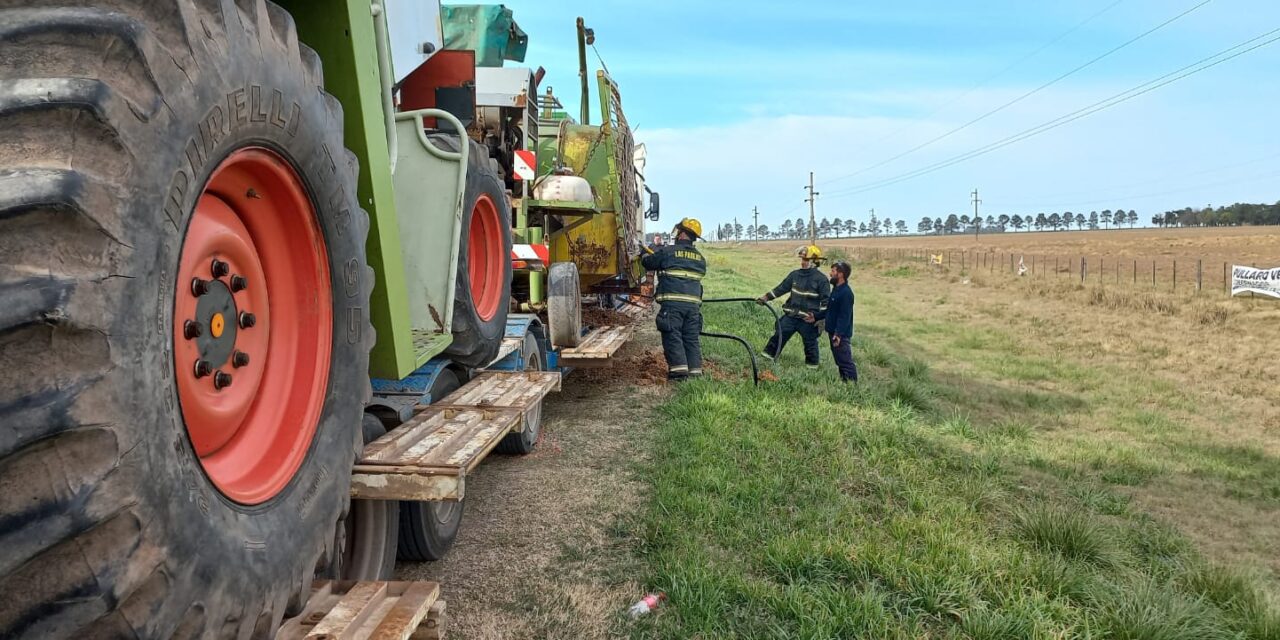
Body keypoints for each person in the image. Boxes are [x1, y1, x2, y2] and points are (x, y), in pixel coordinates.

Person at [640, 217, 706, 381]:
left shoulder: (668, 252)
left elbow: (649, 262)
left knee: (672, 335)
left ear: (682, 234)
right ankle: (695, 373)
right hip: (693, 307)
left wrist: (643, 254)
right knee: (691, 338)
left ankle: (678, 373)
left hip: (673, 305)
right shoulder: (700, 259)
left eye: (678, 231)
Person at [756, 245, 830, 369]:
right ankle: (767, 359)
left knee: (810, 343)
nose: (802, 263)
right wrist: (766, 297)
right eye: (802, 260)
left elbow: (826, 302)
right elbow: (781, 288)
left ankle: (812, 368)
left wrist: (819, 319)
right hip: (791, 315)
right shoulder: (795, 275)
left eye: (806, 260)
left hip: (808, 319)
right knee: (779, 334)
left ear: (814, 261)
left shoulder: (821, 280)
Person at [814, 260, 857, 382]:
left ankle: (853, 387)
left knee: (845, 362)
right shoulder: (836, 289)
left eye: (833, 271)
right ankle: (845, 383)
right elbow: (830, 310)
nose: (830, 273)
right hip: (833, 332)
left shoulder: (846, 293)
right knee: (839, 361)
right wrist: (816, 316)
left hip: (840, 335)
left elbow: (844, 316)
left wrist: (838, 335)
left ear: (841, 274)